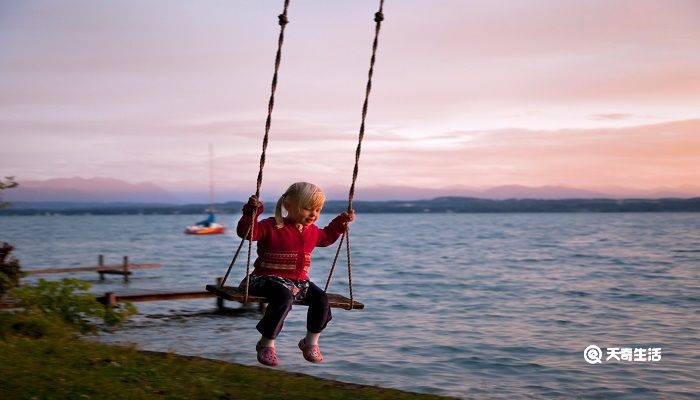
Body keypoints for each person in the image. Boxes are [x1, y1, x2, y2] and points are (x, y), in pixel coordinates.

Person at [237, 182, 355, 367]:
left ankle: (310, 342)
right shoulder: (272, 226)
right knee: (283, 297)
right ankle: (266, 343)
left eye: (317, 209)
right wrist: (251, 213)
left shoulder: (312, 232)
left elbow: (327, 237)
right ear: (289, 206)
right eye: (308, 208)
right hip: (266, 279)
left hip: (299, 282)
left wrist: (340, 223)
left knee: (321, 298)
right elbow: (247, 233)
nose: (313, 214)